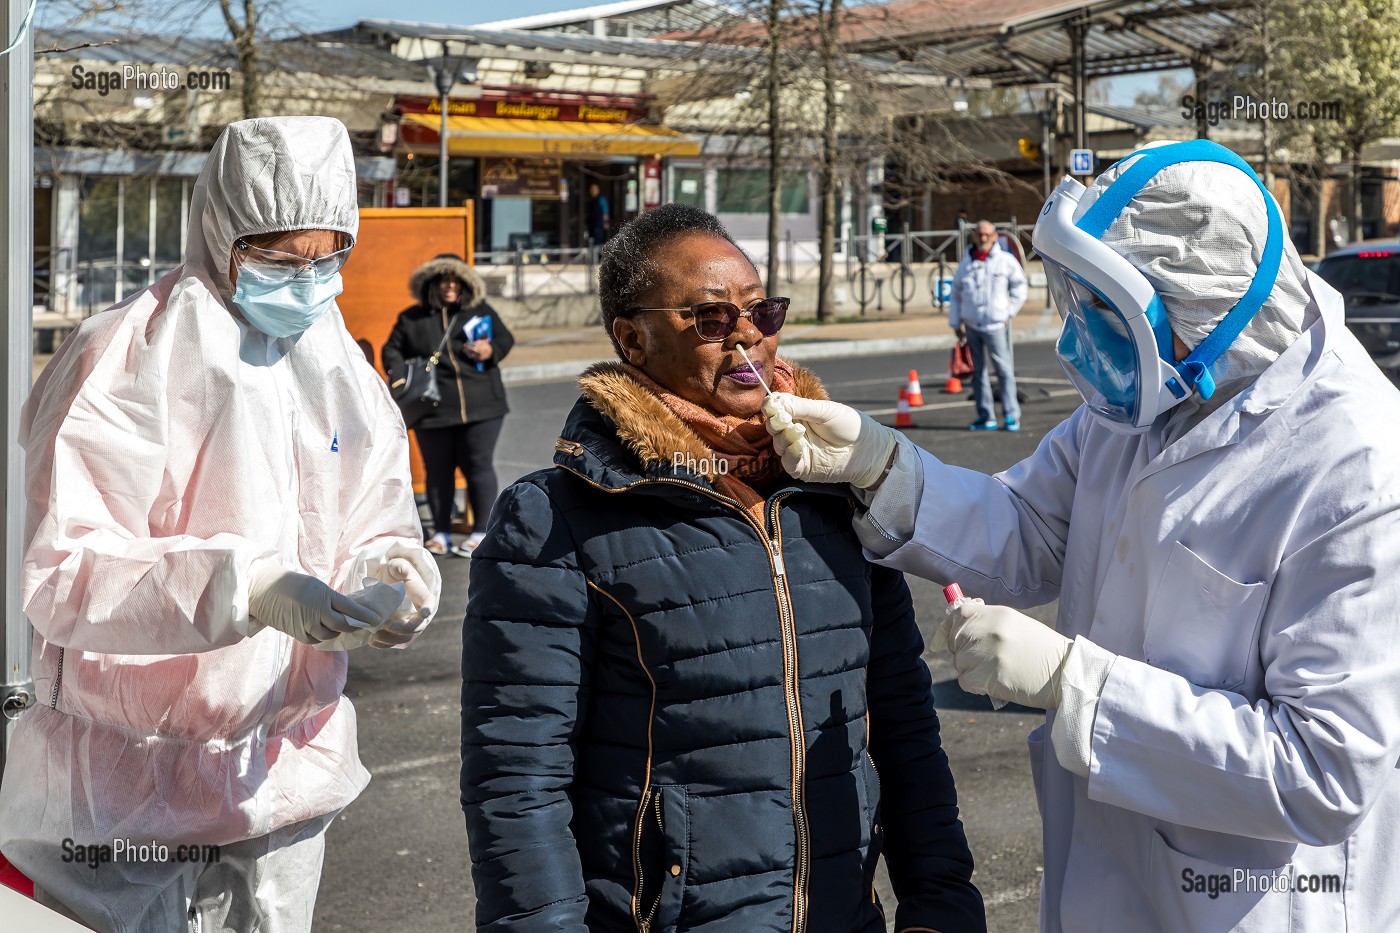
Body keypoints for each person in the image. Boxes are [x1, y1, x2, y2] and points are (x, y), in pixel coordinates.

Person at [762, 140, 1400, 931]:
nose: (1074, 343)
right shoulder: (1152, 395)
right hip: (1112, 872)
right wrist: (883, 462)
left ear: (1195, 308)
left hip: (1256, 900)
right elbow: (1025, 522)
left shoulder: (1359, 464)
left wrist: (1077, 685)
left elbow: (1325, 771)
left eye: (1101, 313)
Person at [460, 203, 985, 933]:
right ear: (632, 338)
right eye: (710, 317)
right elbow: (516, 781)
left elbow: (900, 723)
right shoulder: (555, 517)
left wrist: (941, 902)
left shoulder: (836, 493)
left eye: (762, 310)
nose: (747, 334)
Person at [0, 116, 442, 933]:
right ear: (223, 231)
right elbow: (62, 571)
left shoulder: (339, 365)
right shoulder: (123, 356)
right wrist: (246, 588)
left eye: (328, 258)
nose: (307, 282)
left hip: (284, 774)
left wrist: (392, 578)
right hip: (121, 787)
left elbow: (373, 513)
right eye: (279, 259)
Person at [382, 254, 513, 557]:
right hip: (431, 408)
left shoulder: (479, 311)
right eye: (443, 281)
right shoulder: (411, 318)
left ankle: (481, 531)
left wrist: (489, 349)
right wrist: (400, 377)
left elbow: (506, 340)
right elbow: (392, 350)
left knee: (478, 466)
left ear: (465, 284)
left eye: (455, 281)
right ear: (431, 285)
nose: (450, 286)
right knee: (437, 470)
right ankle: (440, 531)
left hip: (482, 407)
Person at [949, 220, 1027, 431]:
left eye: (987, 235)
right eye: (979, 235)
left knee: (1004, 370)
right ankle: (986, 416)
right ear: (974, 236)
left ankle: (1011, 415)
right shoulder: (967, 262)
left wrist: (1007, 313)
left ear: (994, 236)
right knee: (979, 373)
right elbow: (955, 293)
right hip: (972, 325)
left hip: (995, 326)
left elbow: (1020, 288)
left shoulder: (1005, 260)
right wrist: (955, 322)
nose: (983, 238)